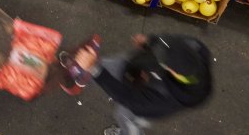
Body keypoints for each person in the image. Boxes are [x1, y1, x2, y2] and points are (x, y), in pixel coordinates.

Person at [74, 34, 213, 135]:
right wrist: (149, 42)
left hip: (139, 103)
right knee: (110, 65)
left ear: (172, 71)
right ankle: (83, 70)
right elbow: (167, 42)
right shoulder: (195, 47)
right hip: (138, 67)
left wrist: (94, 69)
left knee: (125, 117)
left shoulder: (162, 99)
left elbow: (125, 97)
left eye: (161, 58)